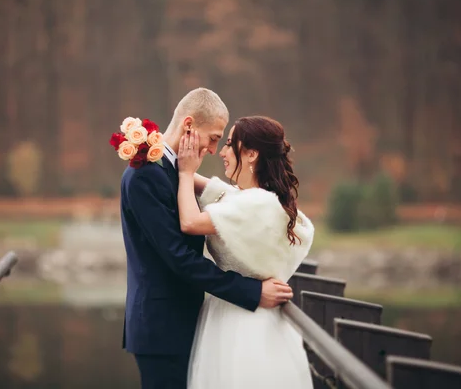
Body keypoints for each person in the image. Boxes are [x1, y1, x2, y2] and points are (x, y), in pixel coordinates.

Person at [119, 88, 294, 389]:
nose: (214, 149)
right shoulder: (147, 175)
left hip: (183, 324)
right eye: (214, 138)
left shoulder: (172, 171)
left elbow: (225, 196)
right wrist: (252, 291)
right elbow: (179, 258)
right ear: (189, 125)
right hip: (162, 330)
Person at [177, 115, 315, 389]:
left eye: (229, 144)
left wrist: (184, 174)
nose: (222, 153)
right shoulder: (247, 198)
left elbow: (190, 223)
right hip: (235, 313)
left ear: (251, 153)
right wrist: (167, 155)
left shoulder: (256, 203)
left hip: (244, 323)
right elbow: (217, 190)